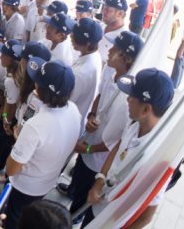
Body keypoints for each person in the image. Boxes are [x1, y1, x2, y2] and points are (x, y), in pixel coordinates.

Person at [58, 30, 144, 222]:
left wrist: (88, 148)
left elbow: (115, 141)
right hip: (88, 141)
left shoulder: (126, 99)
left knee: (84, 194)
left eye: (115, 48)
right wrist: (91, 115)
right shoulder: (109, 70)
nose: (109, 49)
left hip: (98, 158)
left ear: (125, 58)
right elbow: (99, 96)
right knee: (78, 179)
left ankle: (73, 219)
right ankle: (73, 193)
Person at [85, 68, 175, 228]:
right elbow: (118, 148)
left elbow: (147, 216)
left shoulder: (158, 156)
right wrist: (99, 181)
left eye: (132, 97)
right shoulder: (134, 121)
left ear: (146, 109)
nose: (127, 99)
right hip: (97, 206)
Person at [5, 60, 81, 229]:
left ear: (40, 88)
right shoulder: (74, 110)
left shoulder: (35, 126)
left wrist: (18, 141)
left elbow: (11, 169)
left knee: (14, 219)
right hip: (47, 181)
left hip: (24, 186)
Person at [0, 39, 24, 177]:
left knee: (3, 143)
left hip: (12, 120)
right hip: (17, 116)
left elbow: (11, 105)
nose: (0, 57)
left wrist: (6, 120)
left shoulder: (11, 80)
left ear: (12, 59)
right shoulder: (17, 74)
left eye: (4, 55)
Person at [69, 18, 103, 125]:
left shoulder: (81, 73)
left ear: (87, 44)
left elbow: (65, 102)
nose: (70, 36)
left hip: (70, 121)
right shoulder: (94, 55)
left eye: (75, 36)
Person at [98, 0, 128, 64]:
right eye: (104, 8)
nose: (103, 12)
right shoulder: (100, 27)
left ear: (120, 14)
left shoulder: (124, 39)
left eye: (108, 9)